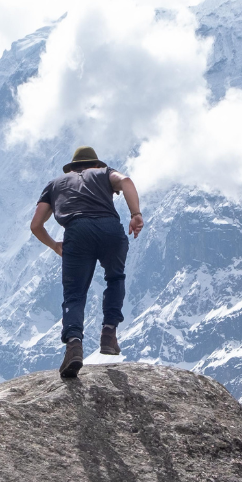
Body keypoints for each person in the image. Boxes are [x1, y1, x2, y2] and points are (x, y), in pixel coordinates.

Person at [30, 146, 145, 379]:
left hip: (77, 231)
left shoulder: (54, 185)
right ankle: (109, 334)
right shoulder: (104, 173)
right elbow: (126, 181)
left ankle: (74, 345)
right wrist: (135, 214)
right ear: (95, 164)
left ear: (72, 168)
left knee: (74, 293)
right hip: (110, 228)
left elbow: (36, 225)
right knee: (115, 277)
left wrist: (54, 245)